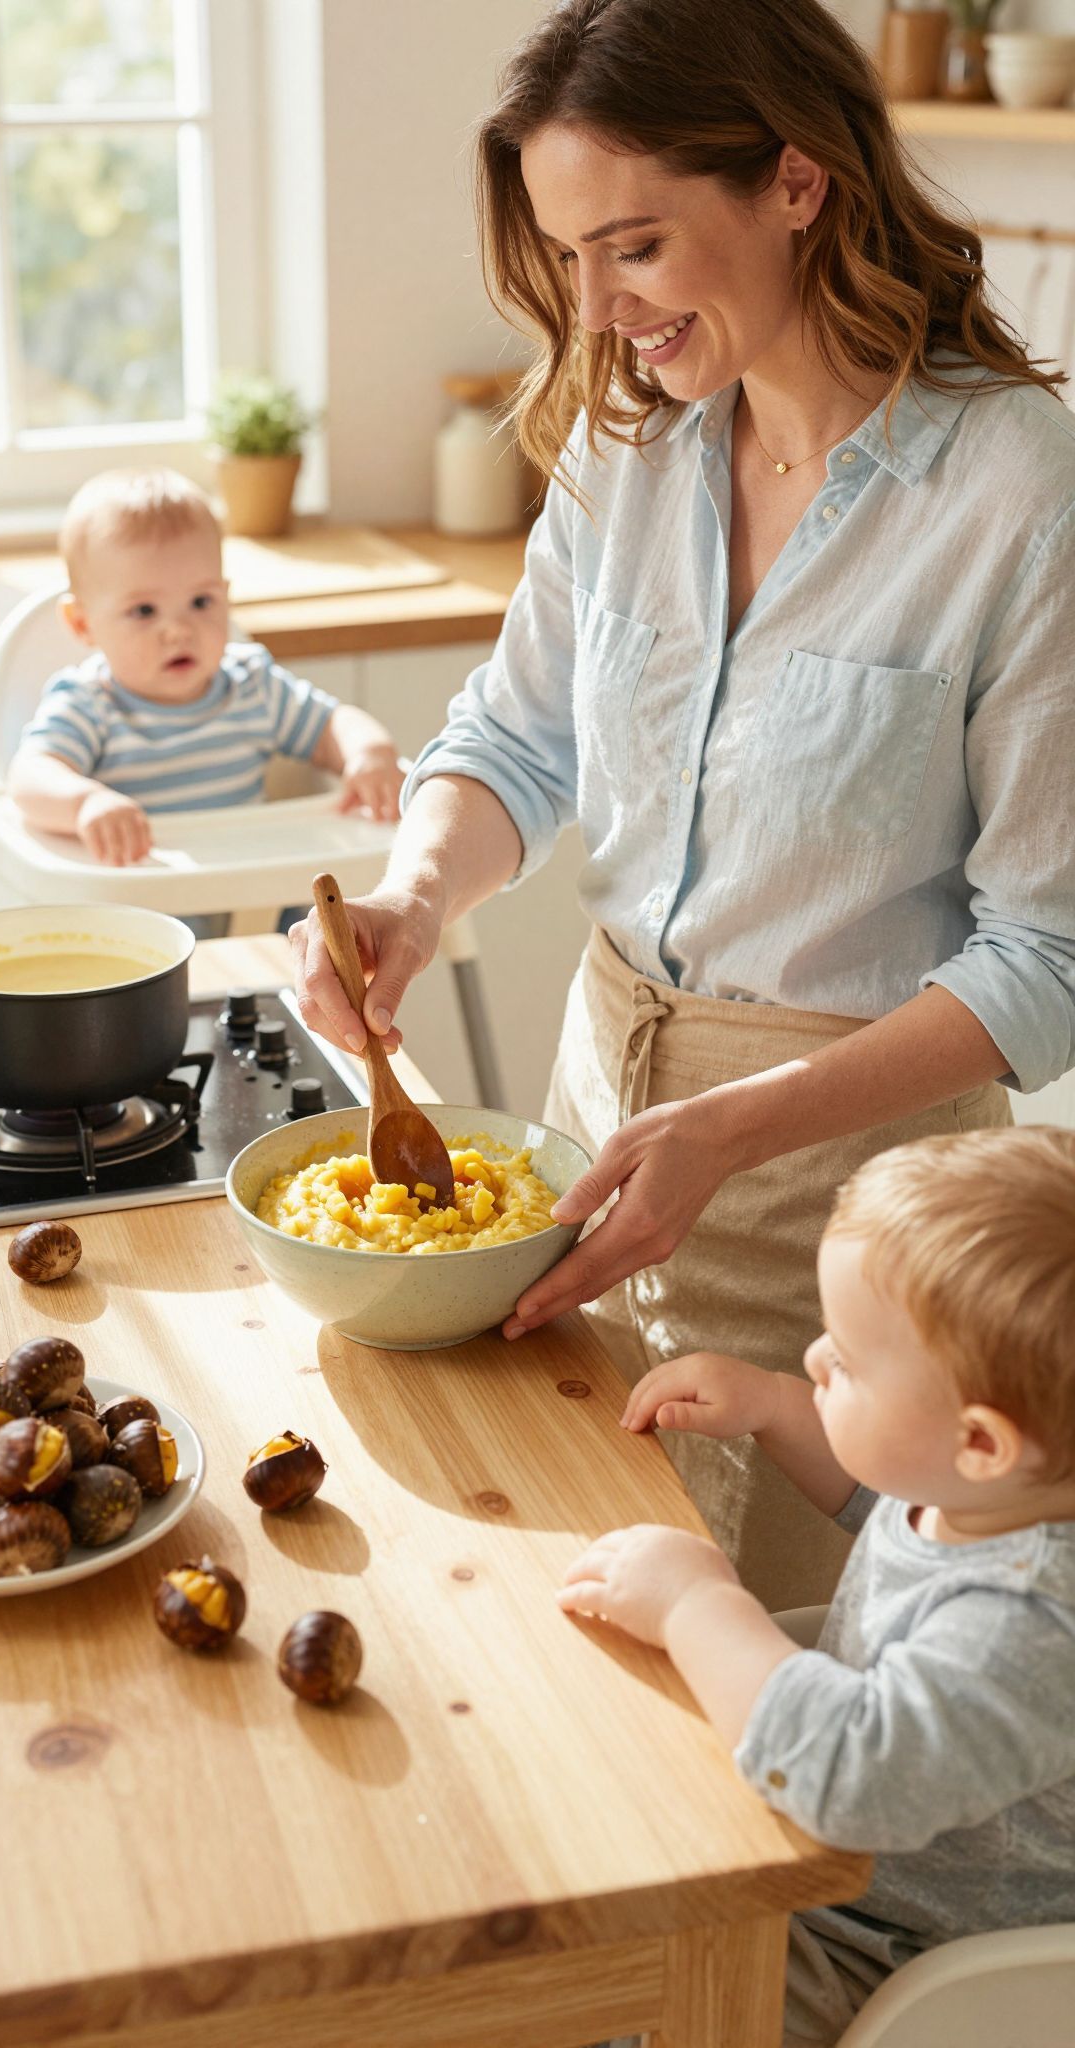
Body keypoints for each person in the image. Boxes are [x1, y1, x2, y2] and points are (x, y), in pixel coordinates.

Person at [291, 0, 1075, 1608]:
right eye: (568, 255)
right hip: (594, 1157)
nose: (594, 309)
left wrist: (732, 1130)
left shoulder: (1014, 490)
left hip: (852, 1231)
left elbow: (1046, 955)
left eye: (632, 246)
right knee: (586, 1645)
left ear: (797, 183)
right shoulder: (627, 441)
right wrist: (416, 898)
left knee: (781, 1729)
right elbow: (515, 740)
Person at [560, 1125, 1075, 2046]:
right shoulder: (995, 1491)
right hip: (817, 1872)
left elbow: (850, 1777)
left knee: (610, 1994)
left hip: (879, 1949)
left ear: (983, 1443)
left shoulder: (1026, 1623)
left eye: (847, 1359)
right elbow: (888, 1494)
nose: (815, 1360)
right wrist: (775, 1407)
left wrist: (696, 1603)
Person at [9, 470, 404, 875]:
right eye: (144, 611)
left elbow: (331, 725)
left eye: (201, 601)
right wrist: (85, 804)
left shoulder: (252, 687)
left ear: (226, 596)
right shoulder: (90, 705)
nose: (180, 630)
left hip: (252, 891)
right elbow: (30, 776)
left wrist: (368, 752)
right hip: (149, 899)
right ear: (82, 624)